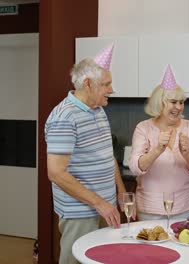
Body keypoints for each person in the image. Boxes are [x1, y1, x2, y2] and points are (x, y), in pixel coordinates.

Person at [45, 44, 126, 264]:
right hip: (80, 212)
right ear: (88, 84)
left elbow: (107, 156)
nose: (111, 89)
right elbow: (56, 173)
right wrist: (100, 203)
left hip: (105, 207)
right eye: (106, 84)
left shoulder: (98, 110)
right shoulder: (64, 118)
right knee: (75, 260)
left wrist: (120, 191)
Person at [129, 65, 189, 222]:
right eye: (173, 102)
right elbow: (136, 167)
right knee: (152, 247)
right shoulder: (143, 128)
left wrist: (187, 154)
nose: (179, 107)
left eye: (181, 102)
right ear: (160, 102)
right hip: (150, 208)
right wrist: (157, 149)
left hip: (186, 206)